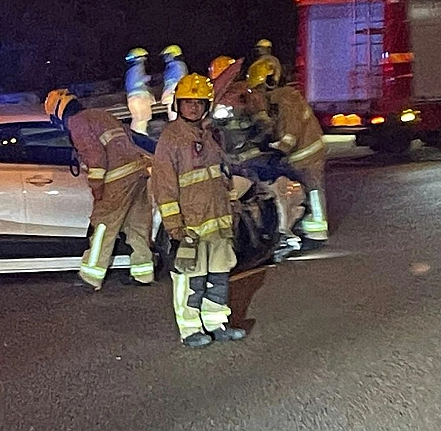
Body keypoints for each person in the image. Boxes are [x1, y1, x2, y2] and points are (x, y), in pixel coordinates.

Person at [149, 73, 247, 348]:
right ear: (177, 105)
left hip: (218, 223)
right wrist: (175, 228)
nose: (193, 107)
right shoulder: (171, 138)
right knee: (190, 280)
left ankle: (217, 323)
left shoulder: (211, 135)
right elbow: (164, 186)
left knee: (217, 277)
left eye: (198, 102)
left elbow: (223, 176)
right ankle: (190, 329)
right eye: (187, 102)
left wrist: (233, 208)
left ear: (207, 105)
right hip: (190, 226)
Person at [44, 89, 155, 290]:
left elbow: (95, 156)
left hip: (117, 179)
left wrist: (97, 187)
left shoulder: (77, 122)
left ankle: (91, 276)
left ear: (58, 113)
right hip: (138, 174)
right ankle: (143, 274)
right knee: (137, 225)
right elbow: (133, 139)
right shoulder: (101, 115)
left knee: (103, 227)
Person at [246, 59, 329, 245]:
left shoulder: (287, 98)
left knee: (314, 189)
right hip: (300, 154)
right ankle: (304, 222)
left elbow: (291, 133)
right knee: (305, 189)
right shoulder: (277, 99)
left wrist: (278, 149)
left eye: (259, 88)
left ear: (270, 81)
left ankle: (318, 230)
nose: (257, 93)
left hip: (308, 154)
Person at [124, 48, 153, 135]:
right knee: (141, 119)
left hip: (136, 97)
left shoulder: (131, 71)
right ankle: (139, 138)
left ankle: (138, 137)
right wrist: (150, 78)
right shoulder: (136, 69)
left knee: (139, 119)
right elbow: (138, 82)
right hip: (139, 97)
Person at [160, 45, 188, 121]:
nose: (165, 58)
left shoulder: (176, 66)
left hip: (173, 95)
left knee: (174, 116)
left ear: (173, 54)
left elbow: (173, 83)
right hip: (175, 95)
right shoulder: (176, 65)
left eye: (167, 55)